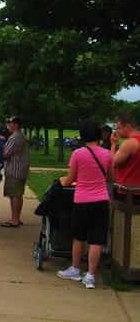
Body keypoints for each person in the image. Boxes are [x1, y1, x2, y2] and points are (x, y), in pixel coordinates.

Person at [57, 120, 114, 289]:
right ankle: (90, 276)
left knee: (79, 236)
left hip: (82, 200)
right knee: (96, 240)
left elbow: (69, 180)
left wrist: (63, 181)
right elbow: (111, 178)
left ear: (83, 136)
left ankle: (75, 269)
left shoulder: (78, 154)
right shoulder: (106, 154)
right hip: (101, 200)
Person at [1, 116, 29, 227]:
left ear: (16, 125)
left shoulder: (14, 138)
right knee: (19, 195)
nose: (9, 125)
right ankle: (17, 217)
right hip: (22, 170)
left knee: (14, 195)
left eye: (11, 123)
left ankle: (14, 220)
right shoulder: (22, 136)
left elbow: (5, 154)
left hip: (14, 170)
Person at [110, 114, 140, 187]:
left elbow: (113, 163)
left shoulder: (129, 143)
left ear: (127, 127)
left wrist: (113, 145)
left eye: (119, 128)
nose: (117, 131)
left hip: (127, 190)